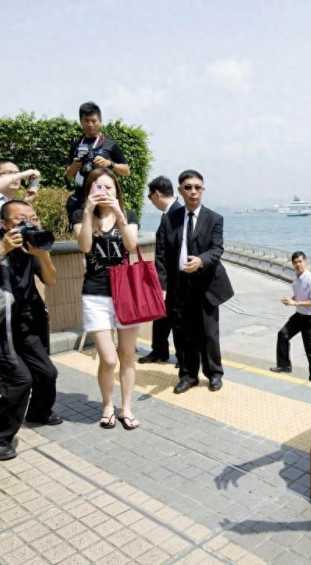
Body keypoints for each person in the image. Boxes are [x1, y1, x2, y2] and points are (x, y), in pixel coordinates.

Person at [0, 200, 60, 461]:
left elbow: (51, 280)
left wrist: (42, 253)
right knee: (20, 380)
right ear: (4, 224)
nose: (29, 224)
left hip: (23, 324)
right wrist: (2, 250)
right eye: (21, 219)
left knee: (47, 372)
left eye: (33, 218)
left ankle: (38, 412)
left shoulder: (32, 244)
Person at [72, 168, 141, 430]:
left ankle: (126, 407)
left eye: (108, 187)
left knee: (127, 355)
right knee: (109, 359)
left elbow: (132, 245)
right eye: (98, 187)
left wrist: (120, 215)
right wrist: (89, 211)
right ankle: (107, 404)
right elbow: (85, 247)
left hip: (126, 293)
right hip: (96, 294)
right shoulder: (81, 215)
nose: (103, 192)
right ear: (89, 190)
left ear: (116, 190)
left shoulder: (128, 214)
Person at [155, 169, 234, 394]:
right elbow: (161, 253)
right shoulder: (169, 219)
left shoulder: (214, 219)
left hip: (206, 284)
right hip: (180, 286)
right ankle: (188, 375)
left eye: (197, 187)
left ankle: (214, 373)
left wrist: (201, 260)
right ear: (180, 190)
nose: (193, 192)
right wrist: (162, 286)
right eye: (188, 187)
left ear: (203, 190)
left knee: (209, 333)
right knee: (183, 333)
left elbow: (217, 249)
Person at [139, 176, 182, 365]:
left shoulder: (178, 213)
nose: (151, 201)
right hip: (166, 279)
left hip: (176, 280)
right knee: (161, 317)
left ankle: (183, 357)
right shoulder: (168, 213)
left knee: (178, 320)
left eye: (150, 197)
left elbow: (170, 251)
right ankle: (159, 351)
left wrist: (163, 285)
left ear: (156, 194)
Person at [64, 101, 130, 220]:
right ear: (81, 122)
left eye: (94, 121)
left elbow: (126, 171)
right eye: (86, 121)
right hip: (80, 200)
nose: (90, 124)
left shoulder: (110, 144)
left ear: (100, 121)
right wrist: (75, 166)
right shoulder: (76, 144)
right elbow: (68, 175)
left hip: (103, 201)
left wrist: (110, 164)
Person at [269, 251, 311, 383]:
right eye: (295, 262)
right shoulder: (297, 279)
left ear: (305, 262)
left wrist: (295, 303)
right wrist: (291, 299)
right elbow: (299, 296)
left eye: (300, 261)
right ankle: (284, 365)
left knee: (310, 350)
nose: (298, 264)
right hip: (300, 315)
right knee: (283, 334)